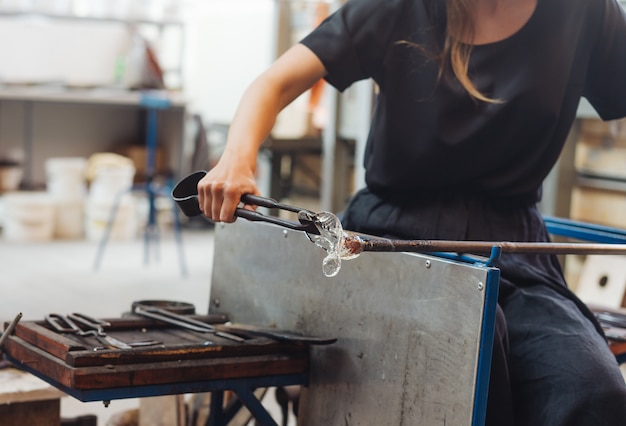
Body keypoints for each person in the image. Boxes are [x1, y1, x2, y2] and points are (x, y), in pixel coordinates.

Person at [197, 0, 626, 424]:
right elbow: (276, 81)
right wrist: (237, 157)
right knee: (474, 358)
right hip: (394, 241)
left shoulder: (583, 11)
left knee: (592, 393)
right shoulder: (404, 8)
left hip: (515, 252)